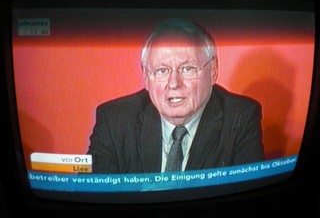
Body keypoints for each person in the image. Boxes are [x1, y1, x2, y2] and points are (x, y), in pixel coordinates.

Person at [87, 18, 264, 174]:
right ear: (146, 78)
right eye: (161, 71)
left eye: (187, 68)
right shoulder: (113, 120)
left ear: (213, 71)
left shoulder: (240, 118)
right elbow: (96, 197)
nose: (173, 83)